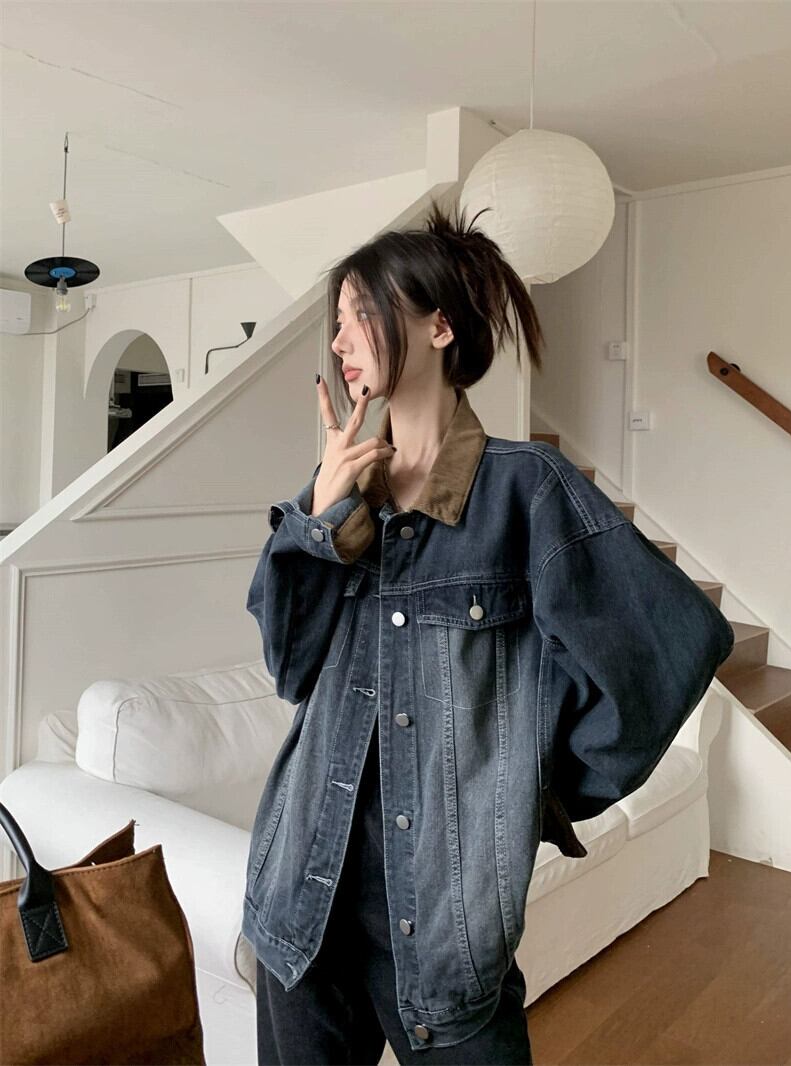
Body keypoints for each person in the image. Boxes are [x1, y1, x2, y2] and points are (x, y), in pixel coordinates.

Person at [242, 198, 734, 1065]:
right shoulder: (340, 489)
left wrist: (529, 787)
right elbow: (290, 669)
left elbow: (673, 646)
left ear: (438, 327)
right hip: (298, 903)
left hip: (444, 924)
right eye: (337, 320)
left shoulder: (526, 488)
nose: (341, 339)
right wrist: (316, 518)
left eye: (361, 313)